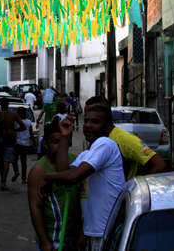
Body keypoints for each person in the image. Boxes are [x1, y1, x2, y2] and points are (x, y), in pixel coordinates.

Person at [41, 104, 126, 251]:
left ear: (107, 127)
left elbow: (73, 177)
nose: (88, 125)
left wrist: (47, 178)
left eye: (95, 122)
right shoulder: (87, 154)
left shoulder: (105, 144)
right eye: (86, 121)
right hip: (95, 232)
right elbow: (64, 172)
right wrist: (65, 136)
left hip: (107, 232)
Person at [28, 121, 81, 251]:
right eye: (56, 142)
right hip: (53, 239)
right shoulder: (39, 170)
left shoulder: (76, 161)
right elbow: (35, 207)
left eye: (64, 140)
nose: (60, 146)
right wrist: (45, 241)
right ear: (45, 144)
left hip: (74, 238)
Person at [85, 96, 167, 179]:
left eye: (94, 120)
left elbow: (159, 164)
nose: (88, 125)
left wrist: (139, 188)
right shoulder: (96, 137)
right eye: (86, 119)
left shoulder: (124, 139)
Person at [0, 98, 26, 190]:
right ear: (8, 105)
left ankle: (2, 181)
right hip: (10, 138)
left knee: (1, 160)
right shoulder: (14, 115)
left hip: (1, 138)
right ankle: (3, 182)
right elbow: (23, 126)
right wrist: (14, 130)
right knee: (7, 160)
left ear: (1, 105)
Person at [12, 106, 34, 184]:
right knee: (23, 162)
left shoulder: (15, 122)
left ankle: (16, 171)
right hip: (26, 144)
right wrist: (33, 143)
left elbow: (13, 133)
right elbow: (31, 133)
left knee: (14, 159)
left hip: (17, 143)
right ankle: (24, 179)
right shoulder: (28, 122)